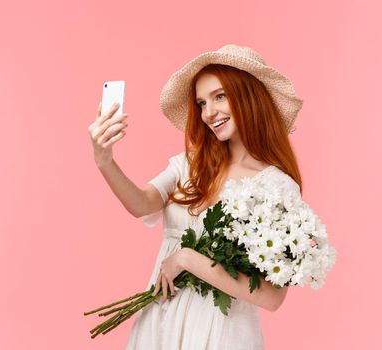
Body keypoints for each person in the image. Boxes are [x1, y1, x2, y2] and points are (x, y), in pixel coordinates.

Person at [88, 44, 304, 350]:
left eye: (219, 96)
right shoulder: (189, 164)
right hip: (161, 317)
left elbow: (271, 297)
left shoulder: (277, 187)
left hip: (221, 331)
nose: (208, 113)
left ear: (249, 97)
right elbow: (140, 203)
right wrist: (104, 160)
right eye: (202, 103)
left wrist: (189, 260)